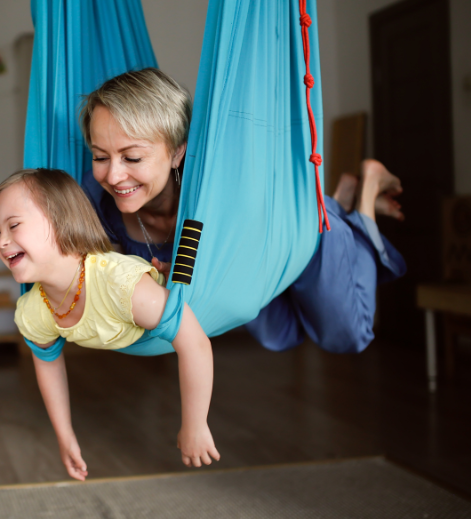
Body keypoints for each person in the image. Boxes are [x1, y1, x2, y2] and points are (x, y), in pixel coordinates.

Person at [79, 68, 407, 355]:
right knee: (279, 332)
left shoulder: (215, 186)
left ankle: (364, 194)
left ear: (178, 153)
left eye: (132, 158)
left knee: (349, 334)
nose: (113, 176)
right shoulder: (96, 207)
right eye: (100, 157)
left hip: (287, 232)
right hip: (249, 269)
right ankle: (340, 196)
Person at [0, 169, 220, 480]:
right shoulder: (34, 311)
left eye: (13, 225)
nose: (2, 242)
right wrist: (65, 436)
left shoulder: (121, 285)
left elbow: (194, 343)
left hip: (190, 297)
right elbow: (47, 364)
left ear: (61, 220)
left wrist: (195, 424)